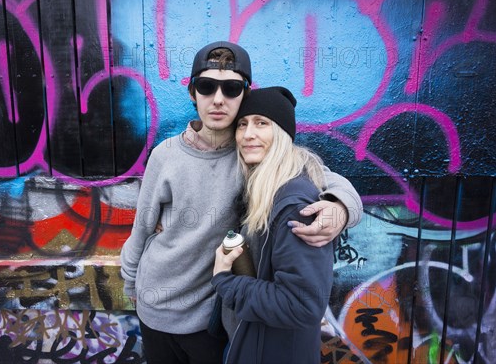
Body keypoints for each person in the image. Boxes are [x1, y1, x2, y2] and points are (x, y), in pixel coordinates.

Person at [120, 41, 361, 363]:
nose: (218, 99)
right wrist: (131, 284)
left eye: (231, 88)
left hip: (212, 314)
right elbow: (143, 227)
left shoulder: (254, 152)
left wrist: (340, 206)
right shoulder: (166, 155)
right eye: (206, 87)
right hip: (155, 305)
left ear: (243, 94)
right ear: (193, 93)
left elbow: (319, 174)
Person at [212, 86, 335, 363]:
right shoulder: (264, 189)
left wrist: (225, 280)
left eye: (261, 123)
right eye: (242, 124)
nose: (248, 134)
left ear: (282, 135)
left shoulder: (293, 203)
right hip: (254, 344)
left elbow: (301, 304)